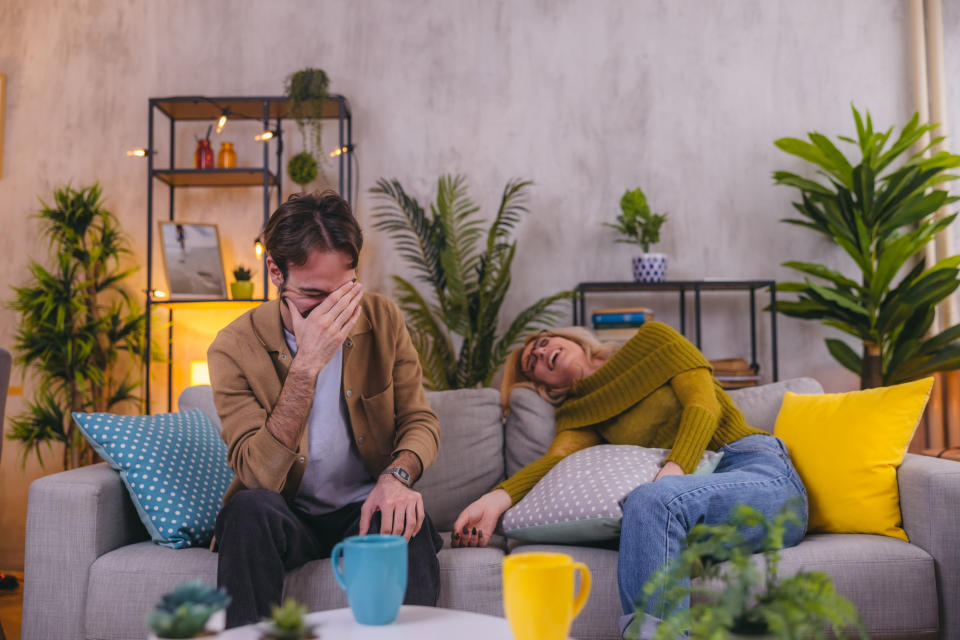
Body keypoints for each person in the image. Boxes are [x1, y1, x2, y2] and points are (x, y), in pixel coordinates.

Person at [452, 323, 807, 637]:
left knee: (651, 500)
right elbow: (553, 463)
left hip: (752, 466)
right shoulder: (579, 413)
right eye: (532, 361)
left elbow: (704, 405)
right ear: (542, 384)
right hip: (692, 509)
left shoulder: (653, 339)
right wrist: (494, 500)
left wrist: (674, 469)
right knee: (645, 505)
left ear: (569, 337)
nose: (543, 351)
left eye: (544, 341)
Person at [208, 190, 442, 628]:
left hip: (364, 508)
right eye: (316, 295)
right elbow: (257, 475)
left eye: (346, 291)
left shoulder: (382, 319)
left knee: (408, 519)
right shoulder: (233, 347)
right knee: (246, 512)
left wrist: (397, 477)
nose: (337, 312)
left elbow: (419, 421)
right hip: (285, 513)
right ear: (276, 272)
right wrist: (306, 367)